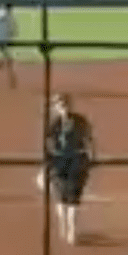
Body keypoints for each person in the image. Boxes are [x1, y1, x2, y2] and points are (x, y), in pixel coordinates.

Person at [43, 92, 95, 246]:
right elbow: (89, 141)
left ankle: (68, 229)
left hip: (67, 162)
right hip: (71, 161)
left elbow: (49, 146)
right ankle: (69, 230)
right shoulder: (77, 121)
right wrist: (92, 157)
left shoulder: (55, 123)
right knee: (68, 199)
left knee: (66, 199)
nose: (63, 108)